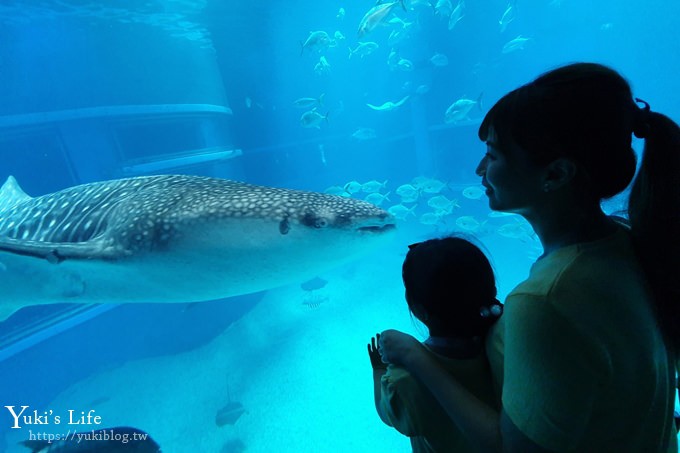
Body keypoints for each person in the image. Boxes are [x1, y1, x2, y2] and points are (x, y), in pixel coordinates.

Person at [378, 62, 680, 452]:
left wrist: (417, 359)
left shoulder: (545, 302)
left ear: (554, 175)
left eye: (494, 155)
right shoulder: (627, 242)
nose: (479, 169)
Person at [368, 235, 503, 452]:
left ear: (419, 311)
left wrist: (379, 370)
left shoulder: (403, 380)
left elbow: (386, 415)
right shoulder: (503, 346)